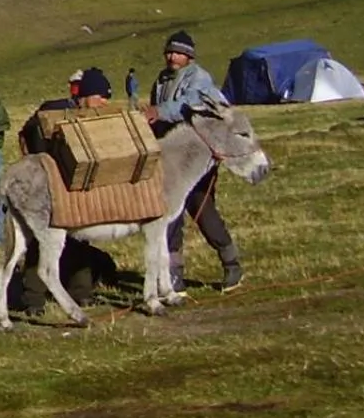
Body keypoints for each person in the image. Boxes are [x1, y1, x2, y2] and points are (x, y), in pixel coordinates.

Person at [143, 30, 243, 292]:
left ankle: (231, 263)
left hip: (197, 157)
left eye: (177, 52)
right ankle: (173, 274)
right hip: (171, 157)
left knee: (202, 210)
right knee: (169, 216)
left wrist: (159, 112)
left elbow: (190, 103)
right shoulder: (162, 79)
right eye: (169, 51)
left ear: (188, 56)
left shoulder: (200, 78)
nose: (171, 56)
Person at [16, 67, 120, 313]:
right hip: (49, 187)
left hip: (79, 187)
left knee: (82, 237)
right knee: (43, 240)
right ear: (86, 94)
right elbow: (34, 142)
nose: (104, 102)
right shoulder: (54, 112)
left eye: (107, 98)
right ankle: (33, 299)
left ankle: (80, 292)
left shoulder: (93, 118)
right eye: (100, 96)